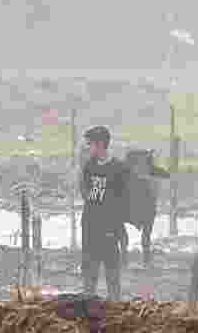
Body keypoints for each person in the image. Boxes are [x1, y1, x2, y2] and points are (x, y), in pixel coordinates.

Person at [79, 125, 129, 299]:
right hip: (90, 229)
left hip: (109, 231)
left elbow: (123, 203)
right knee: (89, 276)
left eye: (90, 144)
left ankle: (116, 309)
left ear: (100, 144)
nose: (88, 148)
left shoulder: (119, 169)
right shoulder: (88, 167)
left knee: (112, 277)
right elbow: (85, 194)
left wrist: (117, 230)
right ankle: (87, 309)